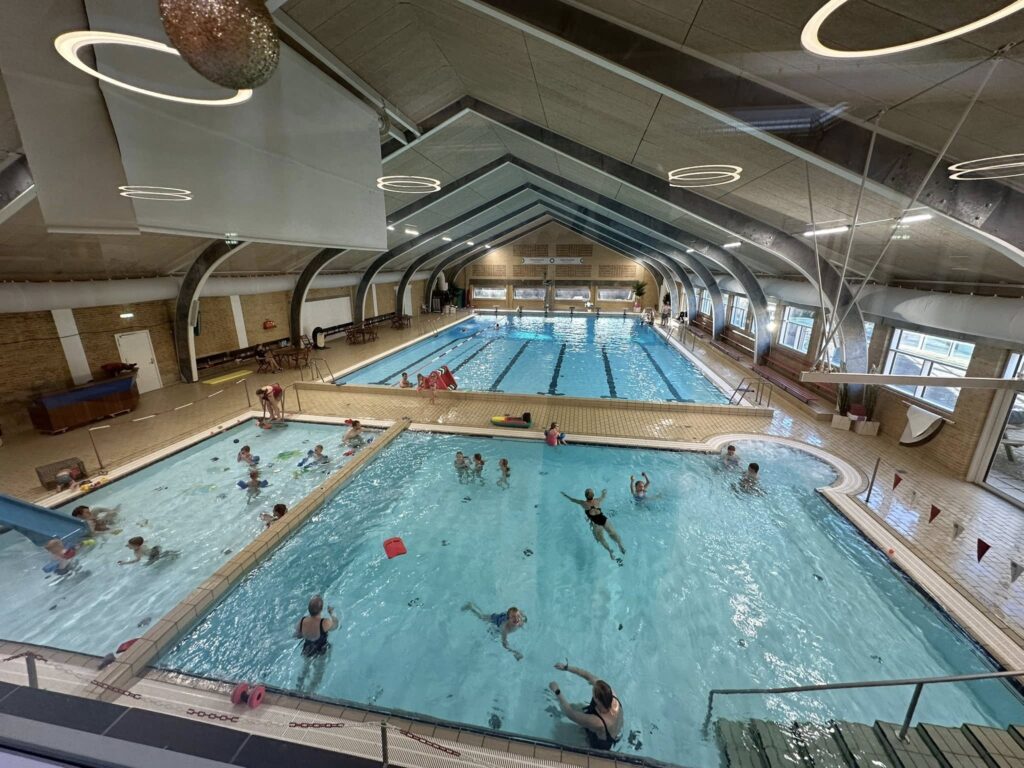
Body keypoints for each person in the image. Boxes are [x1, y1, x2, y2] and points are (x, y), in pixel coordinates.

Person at [548, 662, 623, 750]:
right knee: (573, 707)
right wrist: (566, 667)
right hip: (611, 729)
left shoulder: (597, 722)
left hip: (598, 743)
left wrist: (557, 691)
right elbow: (587, 675)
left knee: (556, 731)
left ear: (596, 699)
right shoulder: (611, 694)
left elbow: (570, 714)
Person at [561, 488, 625, 561]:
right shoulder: (597, 501)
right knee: (612, 533)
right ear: (593, 495)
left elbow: (572, 500)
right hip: (603, 520)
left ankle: (610, 551)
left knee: (601, 539)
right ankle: (619, 545)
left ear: (585, 495)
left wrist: (565, 495)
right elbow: (603, 496)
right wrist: (604, 492)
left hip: (596, 523)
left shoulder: (584, 503)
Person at [295, 595, 338, 692]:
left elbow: (297, 635)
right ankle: (309, 693)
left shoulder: (302, 621)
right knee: (317, 675)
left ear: (309, 609)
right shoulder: (324, 622)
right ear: (321, 609)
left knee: (304, 670)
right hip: (321, 651)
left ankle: (298, 688)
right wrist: (332, 613)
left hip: (307, 650)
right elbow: (335, 625)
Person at [462, 602, 526, 661]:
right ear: (508, 619)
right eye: (513, 617)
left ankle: (509, 614)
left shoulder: (520, 620)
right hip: (497, 619)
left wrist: (524, 618)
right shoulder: (505, 628)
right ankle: (470, 607)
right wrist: (515, 652)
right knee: (481, 617)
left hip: (506, 616)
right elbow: (504, 645)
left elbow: (522, 615)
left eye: (518, 616)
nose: (516, 619)